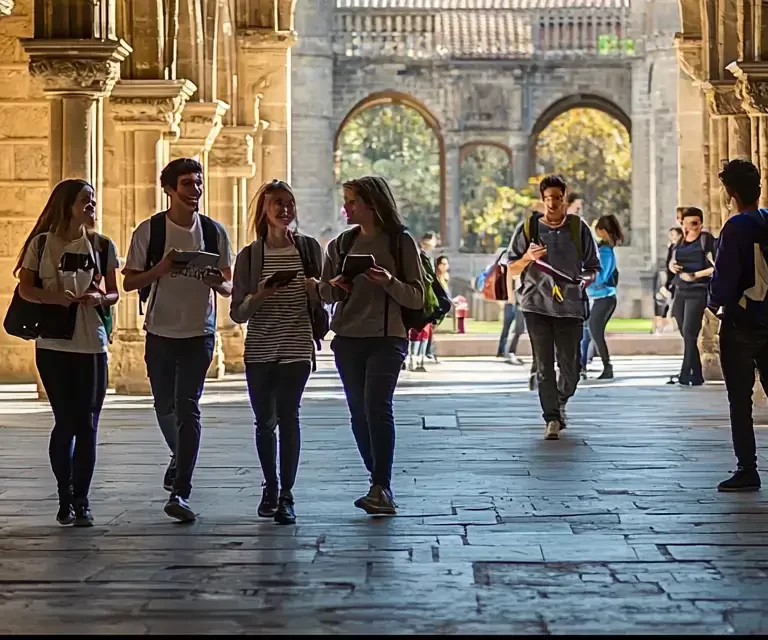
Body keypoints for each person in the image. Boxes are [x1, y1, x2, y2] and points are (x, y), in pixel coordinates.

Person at [123, 158, 233, 522]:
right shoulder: (150, 231)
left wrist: (217, 281)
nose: (195, 190)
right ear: (169, 189)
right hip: (160, 331)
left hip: (199, 333)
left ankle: (181, 490)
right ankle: (179, 456)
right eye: (187, 183)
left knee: (188, 407)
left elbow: (229, 285)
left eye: (198, 183)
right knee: (164, 406)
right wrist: (162, 269)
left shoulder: (214, 232)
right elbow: (130, 281)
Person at [15, 179, 119, 526]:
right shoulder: (42, 244)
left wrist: (99, 298)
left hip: (92, 343)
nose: (91, 206)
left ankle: (82, 499)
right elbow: (26, 289)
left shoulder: (102, 245)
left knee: (88, 424)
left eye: (93, 200)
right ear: (67, 205)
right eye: (85, 200)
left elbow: (113, 293)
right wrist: (55, 298)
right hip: (54, 344)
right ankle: (64, 495)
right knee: (65, 422)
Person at [319, 176, 424, 515]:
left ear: (372, 204)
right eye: (346, 200)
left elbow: (417, 296)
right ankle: (377, 481)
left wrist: (389, 281)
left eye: (352, 201)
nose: (346, 207)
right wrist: (337, 285)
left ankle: (381, 485)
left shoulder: (400, 243)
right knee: (358, 414)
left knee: (377, 407)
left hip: (387, 338)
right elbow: (325, 293)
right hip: (348, 339)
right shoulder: (341, 244)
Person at [230, 180, 322, 525]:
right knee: (265, 421)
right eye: (277, 204)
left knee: (289, 415)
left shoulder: (309, 249)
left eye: (289, 203)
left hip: (297, 344)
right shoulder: (250, 256)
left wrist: (317, 289)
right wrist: (262, 294)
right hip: (260, 348)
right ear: (265, 211)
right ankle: (270, 485)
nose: (285, 209)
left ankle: (286, 494)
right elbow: (238, 313)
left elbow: (323, 297)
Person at [506, 175, 600, 440]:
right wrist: (528, 257)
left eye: (558, 198)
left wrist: (584, 279)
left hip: (570, 306)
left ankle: (560, 400)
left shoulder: (578, 228)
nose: (553, 204)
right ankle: (551, 418)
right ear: (542, 199)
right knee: (544, 366)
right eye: (548, 199)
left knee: (571, 368)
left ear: (565, 198)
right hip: (536, 305)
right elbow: (511, 268)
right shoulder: (529, 228)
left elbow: (593, 267)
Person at [709, 159, 767, 492]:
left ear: (730, 192)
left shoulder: (735, 227)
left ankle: (748, 468)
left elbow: (725, 277)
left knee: (740, 401)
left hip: (741, 321)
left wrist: (714, 302)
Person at [668, 207, 715, 386]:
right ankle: (697, 374)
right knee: (685, 333)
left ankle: (684, 373)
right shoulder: (680, 241)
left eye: (694, 223)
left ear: (701, 224)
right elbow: (671, 261)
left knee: (690, 331)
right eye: (686, 224)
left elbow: (716, 266)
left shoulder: (706, 241)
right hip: (680, 290)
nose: (690, 227)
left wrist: (696, 275)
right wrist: (673, 266)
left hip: (698, 290)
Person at [585, 214, 624, 380]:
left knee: (595, 331)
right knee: (592, 331)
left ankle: (607, 367)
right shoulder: (604, 249)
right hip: (602, 298)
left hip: (605, 299)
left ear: (603, 231)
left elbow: (601, 276)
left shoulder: (605, 252)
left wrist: (584, 279)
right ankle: (588, 364)